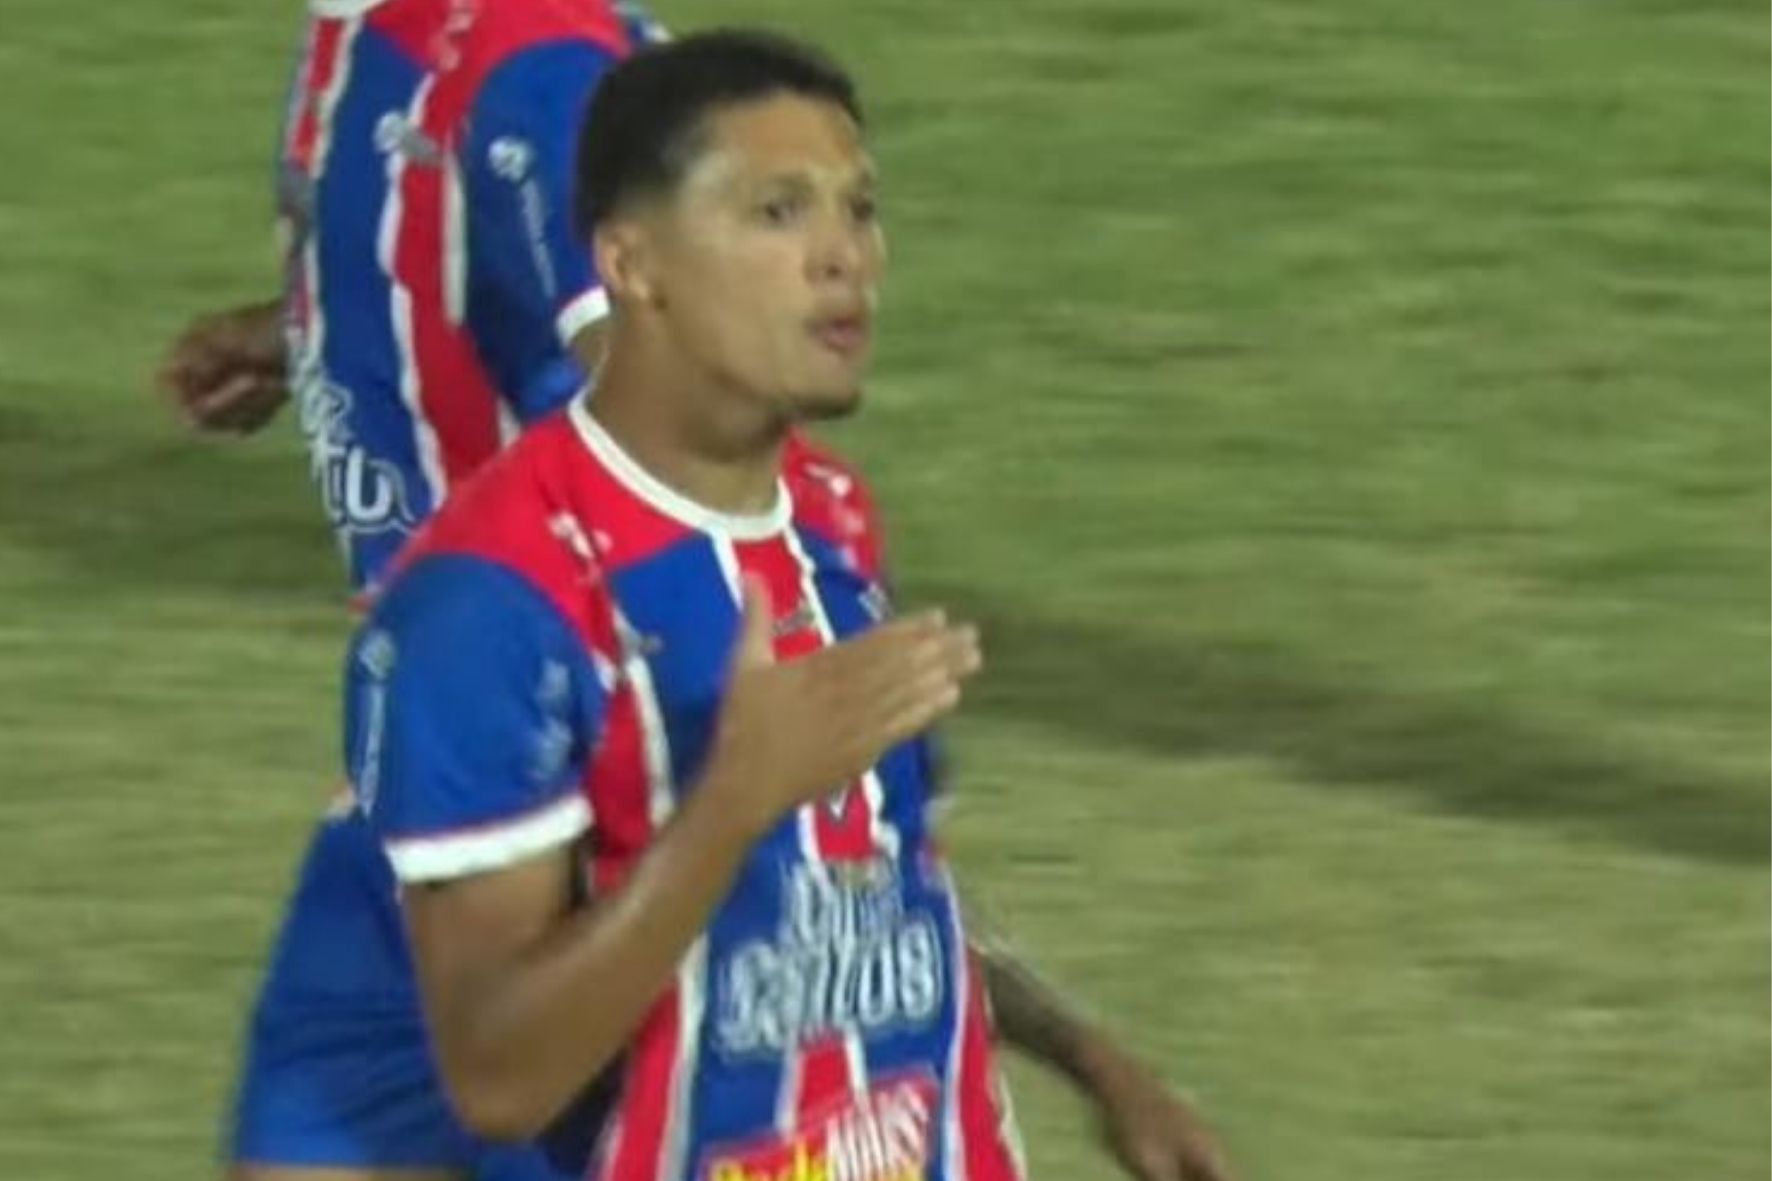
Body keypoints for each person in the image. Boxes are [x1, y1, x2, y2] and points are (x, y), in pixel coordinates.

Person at [345, 28, 1236, 1181]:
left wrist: (1090, 1056)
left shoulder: (829, 516)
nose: (843, 258)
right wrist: (732, 803)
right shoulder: (487, 602)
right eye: (777, 212)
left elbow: (873, 877)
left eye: (857, 210)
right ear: (631, 263)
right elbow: (499, 1077)